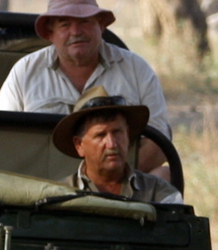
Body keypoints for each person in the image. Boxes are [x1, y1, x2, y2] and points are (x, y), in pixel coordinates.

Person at [0, 0, 172, 177]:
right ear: (50, 33)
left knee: (165, 176)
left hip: (121, 187)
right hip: (44, 189)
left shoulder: (136, 69)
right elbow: (1, 142)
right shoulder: (24, 72)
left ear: (101, 25)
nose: (76, 31)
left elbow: (159, 143)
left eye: (84, 21)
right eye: (65, 24)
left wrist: (109, 179)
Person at [52, 87, 182, 205]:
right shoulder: (59, 196)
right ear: (79, 145)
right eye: (100, 135)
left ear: (128, 136)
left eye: (117, 132)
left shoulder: (158, 192)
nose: (112, 144)